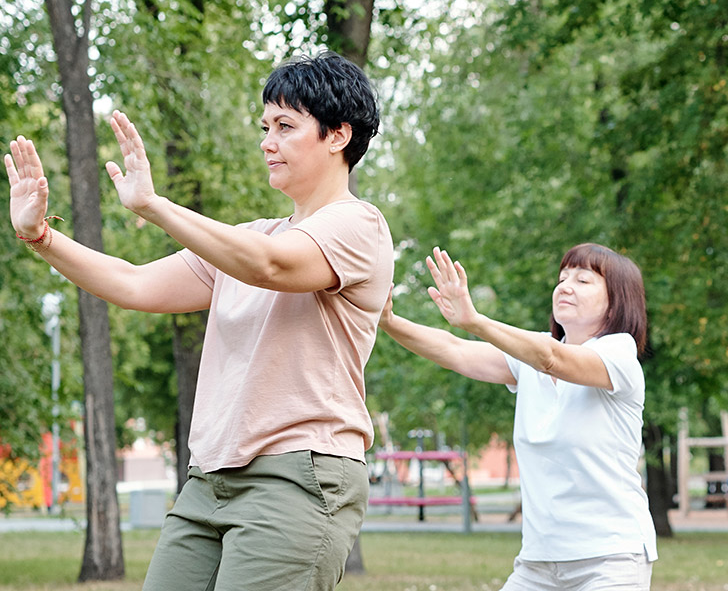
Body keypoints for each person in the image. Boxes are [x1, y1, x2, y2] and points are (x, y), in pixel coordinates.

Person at [5, 51, 391, 590]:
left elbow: (271, 266)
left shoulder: (358, 225)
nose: (267, 142)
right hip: (208, 481)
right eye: (264, 127)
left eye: (285, 126)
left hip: (299, 477)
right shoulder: (250, 235)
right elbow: (133, 283)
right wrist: (40, 236)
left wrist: (155, 207)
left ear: (337, 135)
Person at [379, 243, 657, 590]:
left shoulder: (618, 354)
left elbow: (552, 358)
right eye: (562, 277)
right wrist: (388, 321)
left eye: (583, 280)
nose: (565, 286)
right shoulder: (530, 358)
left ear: (617, 301)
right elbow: (455, 351)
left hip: (610, 559)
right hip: (538, 564)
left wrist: (475, 321)